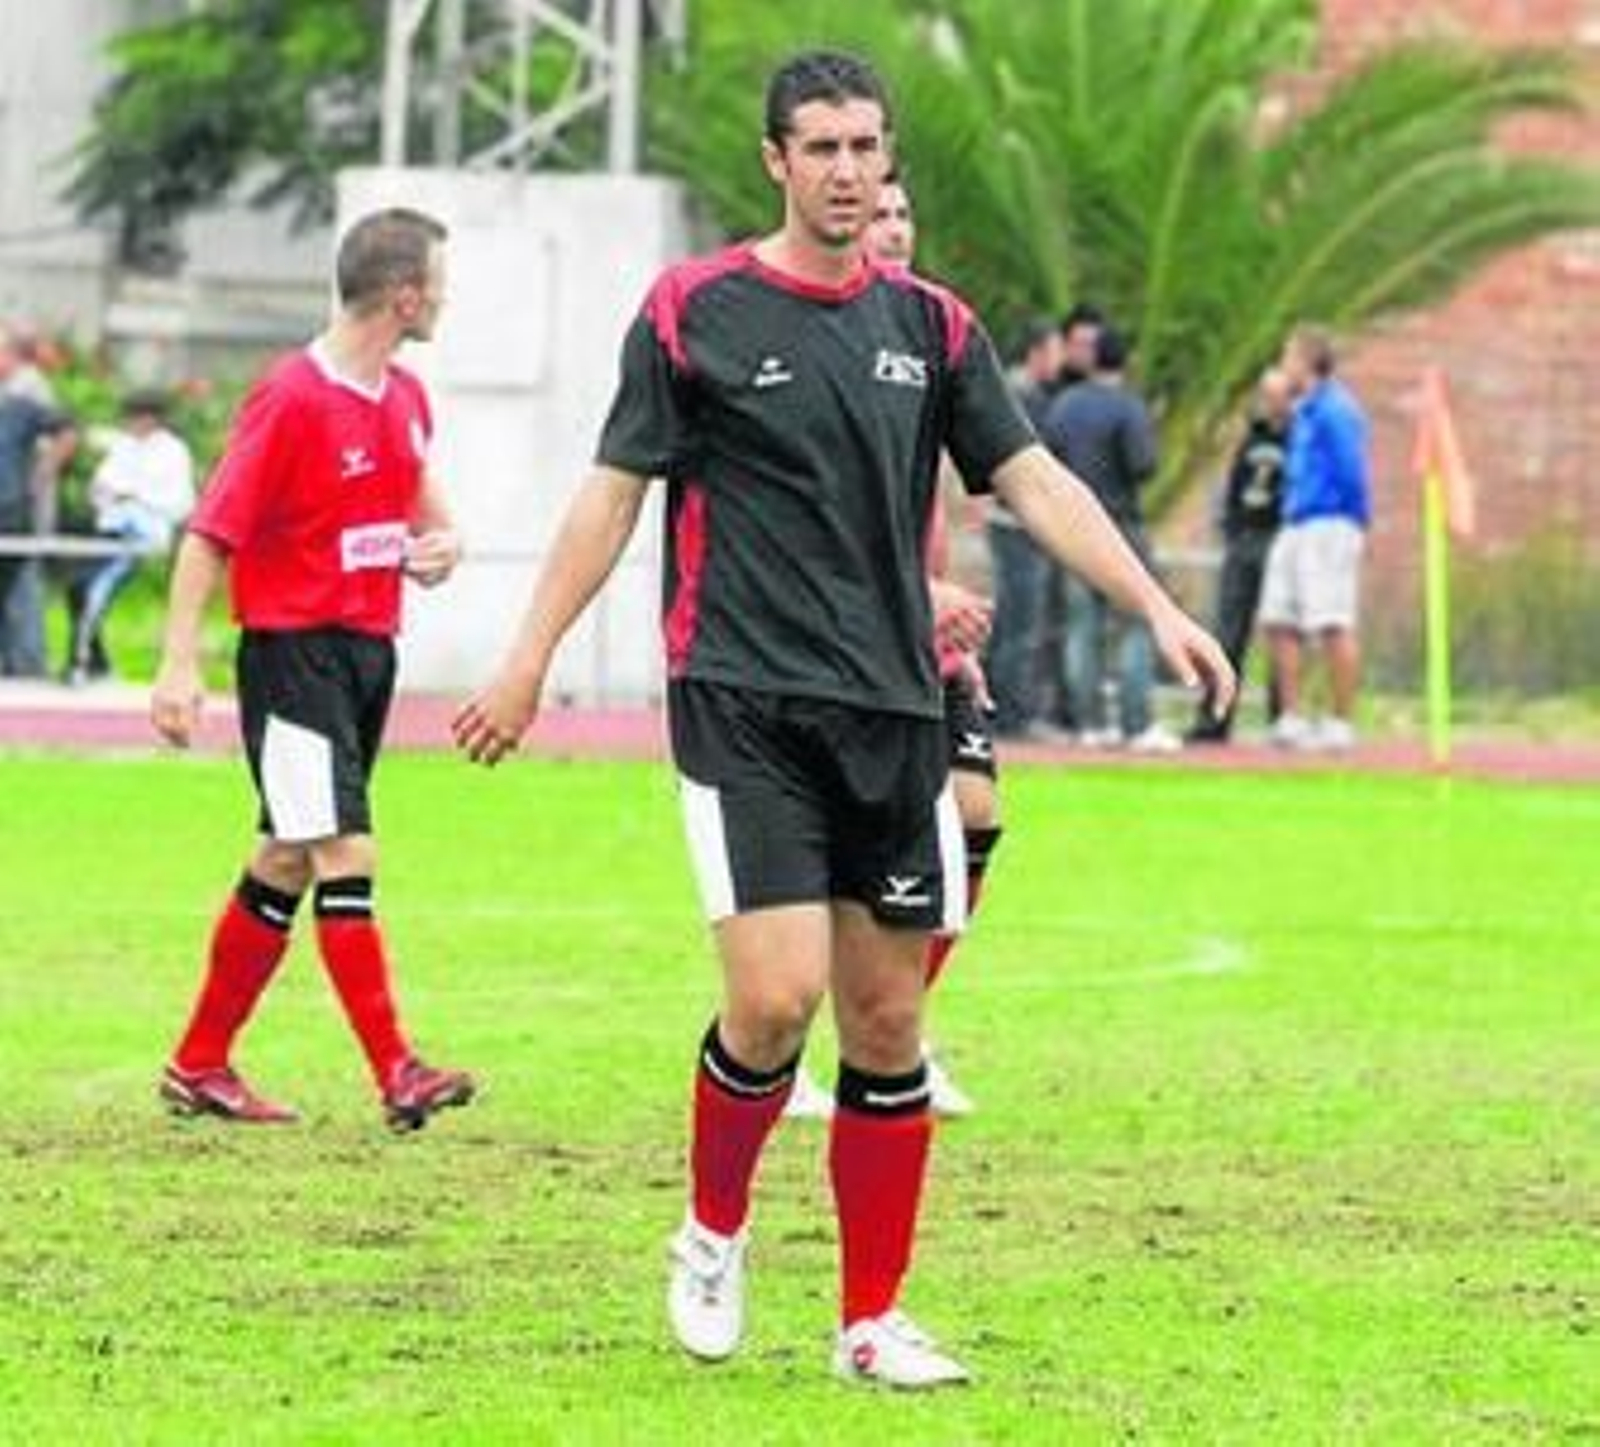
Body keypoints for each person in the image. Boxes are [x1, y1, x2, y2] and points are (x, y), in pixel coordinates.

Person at [453, 51, 1232, 1389]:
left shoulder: (932, 327)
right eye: (820, 148)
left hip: (892, 707)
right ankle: (712, 1228)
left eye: (866, 146)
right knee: (773, 998)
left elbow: (1034, 481)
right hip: (741, 699)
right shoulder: (693, 309)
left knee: (885, 1024)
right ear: (776, 161)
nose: (848, 171)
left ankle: (872, 1317)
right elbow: (611, 496)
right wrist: (527, 657)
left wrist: (1156, 606)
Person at [150, 207, 477, 1131]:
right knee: (344, 850)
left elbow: (421, 500)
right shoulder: (290, 397)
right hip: (294, 657)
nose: (446, 295)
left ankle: (199, 1062)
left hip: (368, 655)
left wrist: (441, 544)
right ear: (406, 294)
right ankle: (398, 1072)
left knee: (287, 857)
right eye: (439, 280)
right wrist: (179, 666)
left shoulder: (405, 397)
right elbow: (209, 536)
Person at [783, 168, 996, 1124]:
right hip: (841, 655)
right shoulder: (818, 338)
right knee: (827, 894)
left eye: (908, 211)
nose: (894, 225)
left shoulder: (928, 335)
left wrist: (948, 620)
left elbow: (936, 506)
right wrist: (919, 593)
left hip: (927, 648)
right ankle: (798, 1037)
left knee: (980, 821)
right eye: (881, 212)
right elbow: (827, 523)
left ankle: (895, 1023)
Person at [1041, 325, 1178, 751]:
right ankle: (1136, 724)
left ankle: (1088, 723)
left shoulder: (1064, 405)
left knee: (1081, 628)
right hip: (1121, 526)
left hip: (1071, 529)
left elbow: (1044, 459)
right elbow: (1143, 464)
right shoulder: (1129, 407)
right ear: (1125, 362)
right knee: (1137, 623)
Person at [1257, 325, 1371, 751]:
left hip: (1328, 522)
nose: (1283, 365)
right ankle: (1291, 717)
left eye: (1288, 356)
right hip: (1295, 521)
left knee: (1331, 620)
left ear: (1307, 361)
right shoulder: (1301, 411)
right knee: (1279, 619)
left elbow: (1350, 471)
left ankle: (1341, 721)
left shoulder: (1335, 410)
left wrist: (1351, 523)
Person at [1187, 368, 1293, 742]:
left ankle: (1283, 718)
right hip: (1244, 539)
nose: (1270, 402)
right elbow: (1234, 485)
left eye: (1277, 395)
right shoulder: (1252, 437)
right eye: (1266, 394)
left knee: (1281, 630)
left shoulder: (1298, 437)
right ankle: (1213, 718)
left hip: (1278, 539)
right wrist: (1231, 528)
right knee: (1229, 631)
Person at [64, 390, 195, 685]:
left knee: (95, 591)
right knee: (78, 589)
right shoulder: (124, 447)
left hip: (144, 535)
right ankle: (99, 663)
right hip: (110, 529)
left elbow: (180, 503)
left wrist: (136, 496)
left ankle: (79, 664)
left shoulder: (174, 452)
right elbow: (102, 487)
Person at [986, 317, 1065, 740]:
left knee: (1012, 621)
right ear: (1037, 352)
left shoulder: (1022, 392)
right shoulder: (1023, 396)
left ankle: (998, 705)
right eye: (1055, 350)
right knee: (1021, 622)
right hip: (1017, 524)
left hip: (1010, 522)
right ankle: (1011, 714)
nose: (1061, 360)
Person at [0, 329, 75, 668]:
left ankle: (29, 662)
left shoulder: (24, 390)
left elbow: (64, 432)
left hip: (18, 506)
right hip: (18, 501)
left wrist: (40, 474)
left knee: (23, 587)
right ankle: (15, 661)